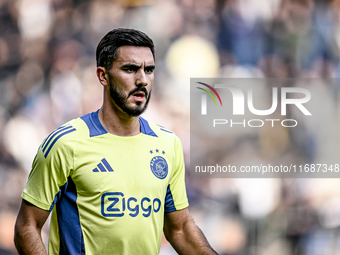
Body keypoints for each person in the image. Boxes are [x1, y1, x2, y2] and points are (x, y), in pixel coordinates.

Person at [14, 28, 217, 255]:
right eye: (130, 69)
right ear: (103, 75)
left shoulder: (168, 144)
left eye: (149, 70)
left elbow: (180, 229)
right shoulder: (66, 143)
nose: (142, 80)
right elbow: (27, 227)